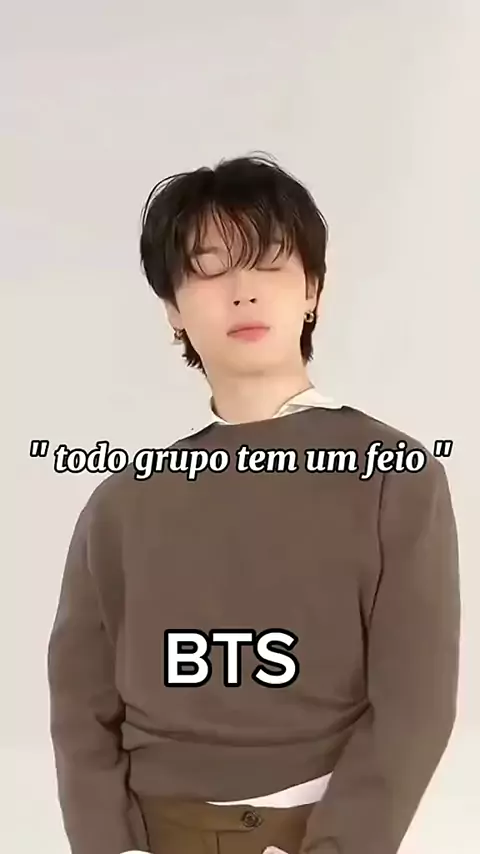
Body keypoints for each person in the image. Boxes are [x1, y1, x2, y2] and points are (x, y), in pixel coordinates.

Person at [47, 154, 461, 854]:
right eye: (209, 271)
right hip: (152, 832)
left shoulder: (393, 476)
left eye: (269, 263)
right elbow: (79, 708)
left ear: (313, 290)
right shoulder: (121, 500)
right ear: (174, 310)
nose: (243, 293)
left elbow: (414, 706)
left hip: (317, 831)